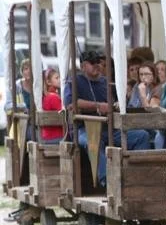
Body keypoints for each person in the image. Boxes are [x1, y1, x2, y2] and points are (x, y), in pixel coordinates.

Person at [63, 50, 150, 187]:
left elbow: (115, 102)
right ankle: (109, 181)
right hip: (84, 129)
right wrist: (97, 106)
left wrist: (116, 104)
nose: (97, 65)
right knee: (93, 141)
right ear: (83, 66)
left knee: (142, 136)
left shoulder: (106, 82)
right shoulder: (74, 81)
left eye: (98, 62)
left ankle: (138, 177)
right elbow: (70, 104)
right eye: (93, 63)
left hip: (108, 127)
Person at [40, 68, 63, 143]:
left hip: (47, 136)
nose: (60, 80)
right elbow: (65, 114)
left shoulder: (46, 96)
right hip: (55, 136)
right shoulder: (53, 97)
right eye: (57, 78)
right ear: (48, 82)